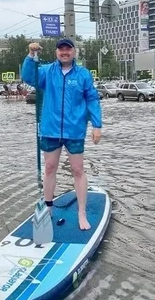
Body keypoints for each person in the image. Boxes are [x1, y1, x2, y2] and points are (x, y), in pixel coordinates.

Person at [21, 38, 102, 231]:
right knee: (49, 168)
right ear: (56, 52)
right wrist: (31, 56)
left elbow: (92, 99)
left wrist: (96, 125)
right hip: (50, 128)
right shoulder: (47, 71)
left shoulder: (83, 74)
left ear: (74, 52)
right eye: (61, 49)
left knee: (77, 170)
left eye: (68, 49)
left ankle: (81, 213)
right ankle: (48, 209)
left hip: (74, 130)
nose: (64, 52)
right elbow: (28, 77)